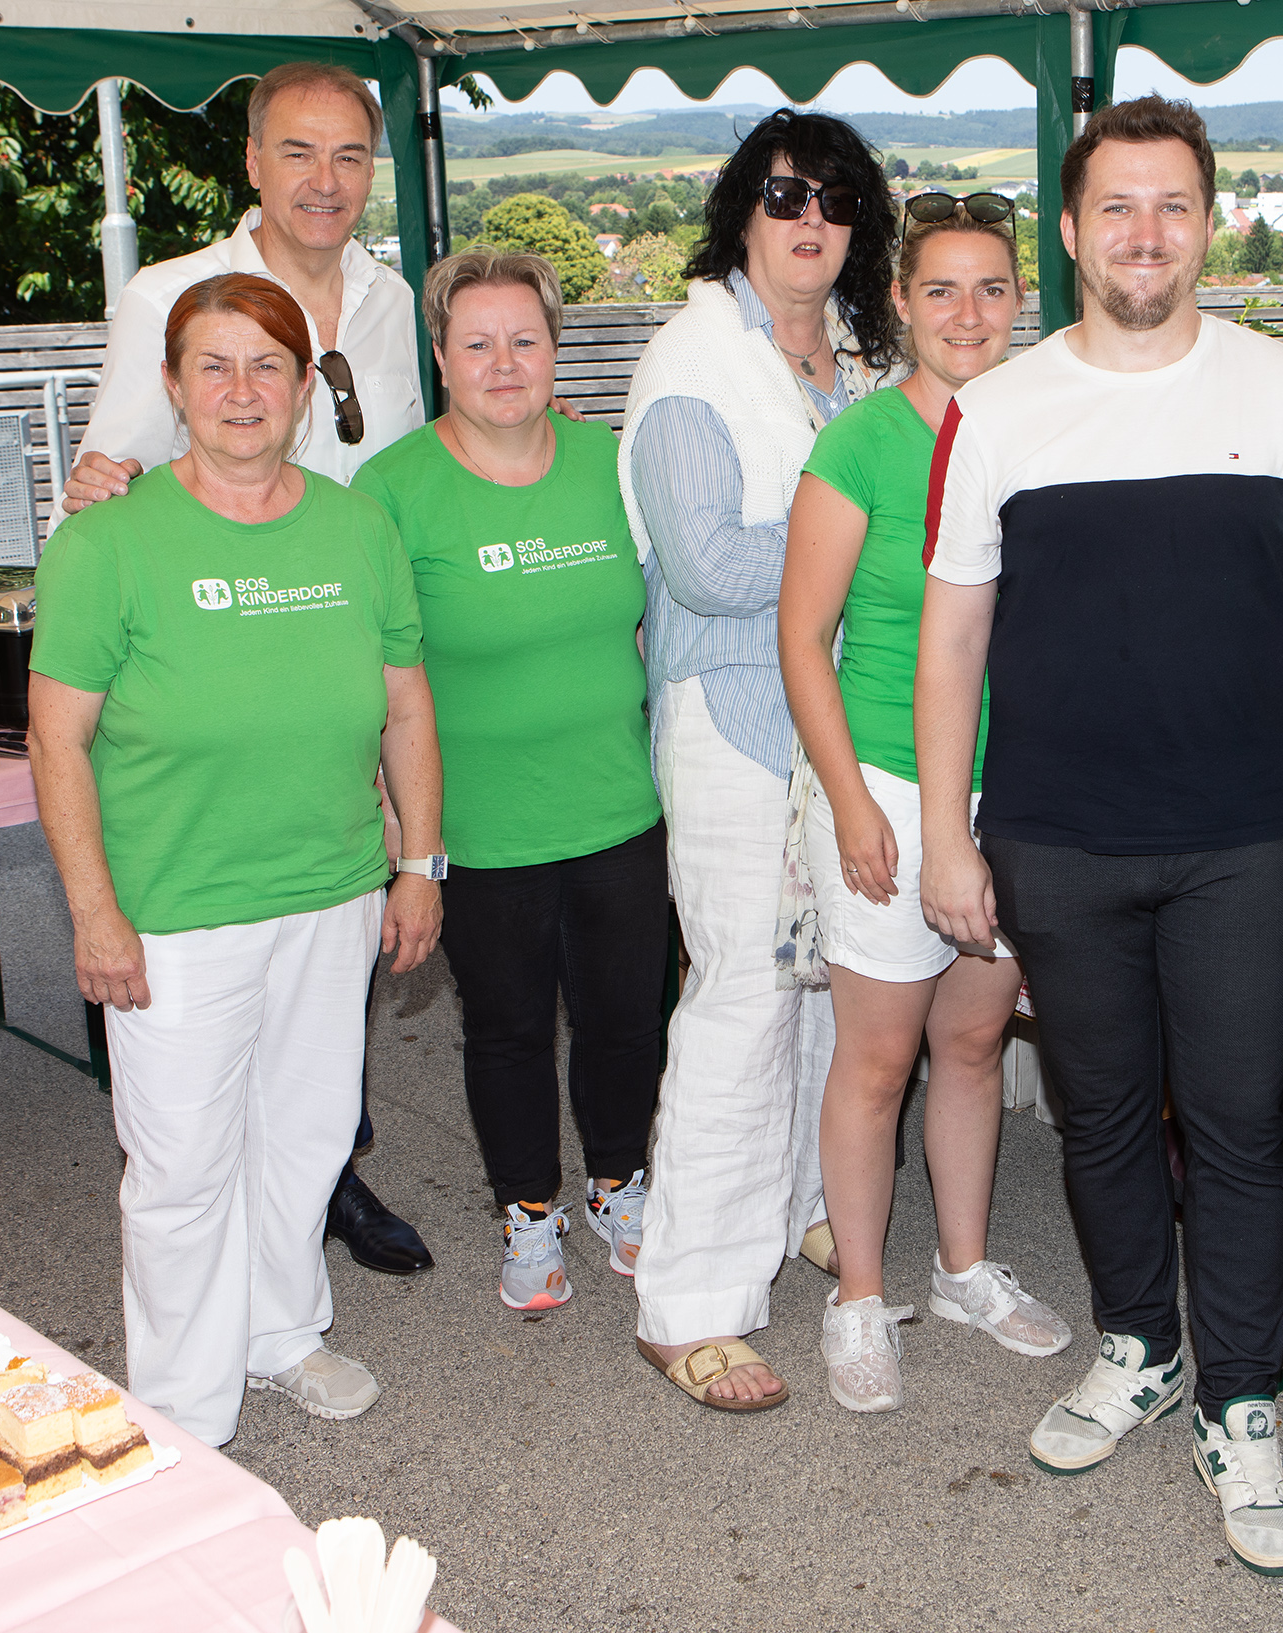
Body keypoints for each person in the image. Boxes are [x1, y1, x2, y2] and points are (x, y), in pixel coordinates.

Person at [915, 96, 1283, 1576]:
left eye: (1172, 205)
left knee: (1238, 1135)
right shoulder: (998, 409)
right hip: (1058, 837)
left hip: (1247, 832)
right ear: (1070, 230)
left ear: (1208, 221)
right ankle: (1139, 1349)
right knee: (1104, 1120)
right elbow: (950, 642)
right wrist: (946, 833)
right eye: (1116, 206)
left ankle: (1240, 1403)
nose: (1144, 234)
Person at [26, 273, 444, 1445]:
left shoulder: (357, 527)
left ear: (307, 389)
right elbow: (55, 738)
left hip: (331, 890)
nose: (241, 390)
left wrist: (421, 863)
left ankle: (280, 1333)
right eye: (213, 366)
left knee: (306, 1134)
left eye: (268, 366)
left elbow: (406, 706)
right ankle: (178, 1405)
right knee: (181, 1167)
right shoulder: (107, 544)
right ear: (171, 387)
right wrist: (94, 913)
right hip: (173, 909)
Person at [60, 59, 432, 1277]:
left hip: (345, 653)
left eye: (349, 158)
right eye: (298, 154)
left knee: (328, 965)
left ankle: (326, 1177)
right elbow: (105, 489)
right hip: (213, 677)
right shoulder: (175, 296)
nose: (324, 182)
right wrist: (97, 487)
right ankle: (228, 1233)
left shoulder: (386, 301)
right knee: (201, 1064)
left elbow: (400, 473)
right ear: (252, 163)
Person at [616, 110, 897, 1412]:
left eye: (836, 200)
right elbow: (705, 564)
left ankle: (796, 1205)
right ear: (742, 209)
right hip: (728, 710)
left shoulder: (854, 356)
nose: (810, 220)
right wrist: (852, 541)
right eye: (785, 194)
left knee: (818, 986)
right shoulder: (689, 357)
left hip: (835, 720)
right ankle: (689, 1302)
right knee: (739, 993)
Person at [779, 197, 1070, 1415]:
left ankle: (960, 1267)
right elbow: (802, 640)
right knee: (879, 1054)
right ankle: (857, 1292)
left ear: (1020, 302)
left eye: (991, 288)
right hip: (892, 793)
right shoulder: (859, 447)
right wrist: (849, 804)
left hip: (1021, 793)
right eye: (940, 289)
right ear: (898, 302)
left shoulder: (1053, 432)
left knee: (967, 1043)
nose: (967, 313)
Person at [351, 251, 666, 1315]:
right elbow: (376, 675)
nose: (503, 362)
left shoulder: (606, 462)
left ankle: (619, 1184)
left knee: (630, 1017)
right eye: (476, 342)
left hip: (619, 804)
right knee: (509, 1029)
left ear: (555, 350)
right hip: (480, 825)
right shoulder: (391, 490)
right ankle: (527, 1212)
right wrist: (408, 845)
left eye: (523, 339)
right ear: (439, 357)